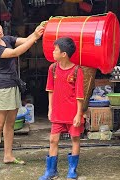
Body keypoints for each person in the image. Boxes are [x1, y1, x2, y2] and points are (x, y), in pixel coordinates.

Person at [0, 17, 44, 175]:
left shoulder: (6, 39)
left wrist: (36, 32)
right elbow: (16, 52)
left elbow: (26, 40)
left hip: (13, 86)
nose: (0, 30)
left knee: (10, 125)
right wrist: (34, 36)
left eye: (0, 27)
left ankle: (8, 156)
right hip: (1, 89)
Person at [40, 37, 84, 180]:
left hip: (73, 113)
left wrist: (79, 114)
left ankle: (72, 170)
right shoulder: (52, 68)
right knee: (53, 140)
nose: (53, 52)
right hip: (58, 112)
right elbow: (50, 90)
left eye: (55, 50)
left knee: (75, 139)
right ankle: (51, 170)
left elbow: (79, 95)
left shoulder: (77, 70)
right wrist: (50, 108)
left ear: (64, 54)